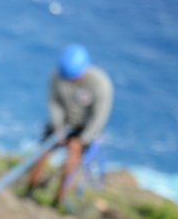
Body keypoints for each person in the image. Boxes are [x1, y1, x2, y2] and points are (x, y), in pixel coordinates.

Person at [25, 43, 114, 209]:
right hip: (62, 122)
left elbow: (99, 116)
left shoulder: (100, 83)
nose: (70, 81)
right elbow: (54, 102)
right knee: (41, 153)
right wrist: (57, 126)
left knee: (70, 163)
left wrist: (82, 139)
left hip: (84, 128)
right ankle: (30, 189)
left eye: (74, 77)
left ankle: (57, 201)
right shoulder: (57, 77)